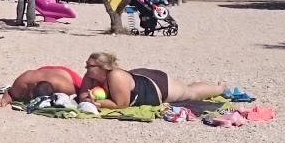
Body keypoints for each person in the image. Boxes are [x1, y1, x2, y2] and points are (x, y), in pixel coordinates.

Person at [77, 52, 227, 109]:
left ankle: (221, 87)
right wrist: (89, 100)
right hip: (137, 78)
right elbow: (82, 96)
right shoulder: (91, 75)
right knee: (188, 88)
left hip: (156, 86)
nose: (85, 68)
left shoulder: (115, 76)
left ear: (102, 67)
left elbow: (121, 104)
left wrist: (96, 103)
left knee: (191, 93)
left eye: (89, 66)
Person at [0, 64, 84, 107]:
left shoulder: (65, 86)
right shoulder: (25, 80)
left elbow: (80, 97)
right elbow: (11, 93)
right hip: (40, 71)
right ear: (32, 86)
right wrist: (4, 100)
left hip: (66, 74)